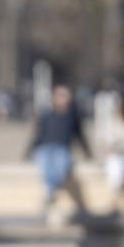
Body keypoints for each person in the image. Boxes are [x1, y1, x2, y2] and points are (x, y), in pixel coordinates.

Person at [26, 84, 91, 223]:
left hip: (62, 148)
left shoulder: (73, 116)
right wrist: (28, 152)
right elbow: (38, 135)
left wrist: (87, 152)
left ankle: (50, 194)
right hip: (45, 148)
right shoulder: (46, 115)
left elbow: (80, 135)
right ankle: (51, 193)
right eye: (60, 96)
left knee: (61, 167)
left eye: (65, 96)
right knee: (46, 166)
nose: (62, 99)